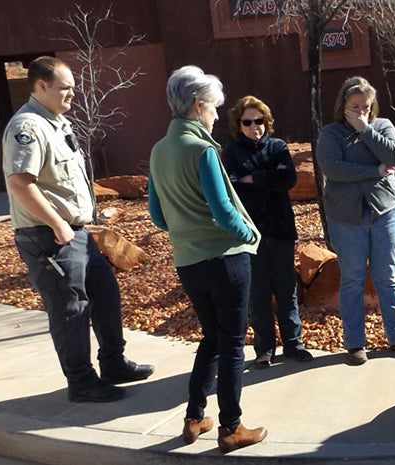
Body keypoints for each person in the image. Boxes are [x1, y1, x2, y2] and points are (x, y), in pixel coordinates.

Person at [1, 56, 154, 403]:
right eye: (65, 88)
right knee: (71, 309)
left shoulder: (58, 123)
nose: (73, 94)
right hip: (49, 236)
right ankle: (82, 382)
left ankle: (113, 364)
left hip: (78, 233)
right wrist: (57, 223)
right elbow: (20, 183)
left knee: (105, 294)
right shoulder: (27, 127)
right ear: (41, 86)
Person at [147, 66, 267, 453]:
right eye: (214, 107)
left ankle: (195, 416)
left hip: (188, 261)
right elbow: (223, 210)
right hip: (226, 260)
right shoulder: (203, 150)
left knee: (212, 338)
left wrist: (185, 230)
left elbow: (157, 215)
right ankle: (231, 428)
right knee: (232, 343)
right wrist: (249, 235)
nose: (217, 115)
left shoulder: (159, 150)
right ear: (198, 105)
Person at [316, 76, 395, 365]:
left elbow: (394, 155)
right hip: (347, 217)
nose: (361, 110)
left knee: (386, 276)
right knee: (352, 278)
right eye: (354, 106)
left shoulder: (382, 126)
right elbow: (334, 169)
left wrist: (365, 129)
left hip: (384, 212)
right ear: (343, 105)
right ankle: (354, 343)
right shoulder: (331, 134)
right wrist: (375, 170)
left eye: (366, 105)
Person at [221, 96, 313, 368]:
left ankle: (294, 344)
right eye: (247, 122)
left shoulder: (278, 147)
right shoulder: (231, 153)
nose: (254, 126)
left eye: (258, 120)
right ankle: (264, 349)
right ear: (239, 125)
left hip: (281, 228)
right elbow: (234, 188)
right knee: (259, 292)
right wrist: (269, 178)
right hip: (251, 233)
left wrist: (255, 178)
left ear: (266, 121)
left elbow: (289, 179)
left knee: (287, 289)